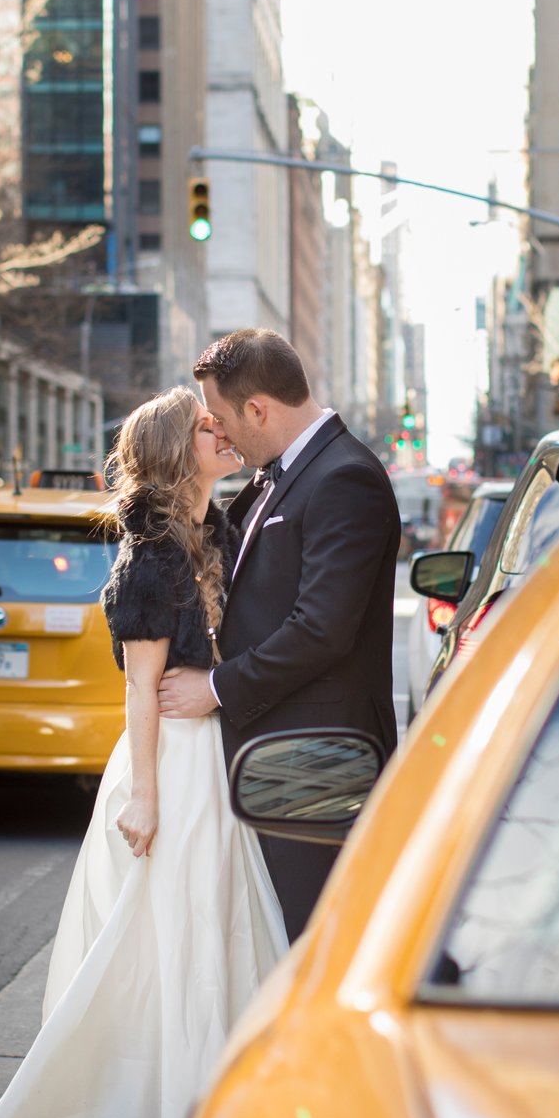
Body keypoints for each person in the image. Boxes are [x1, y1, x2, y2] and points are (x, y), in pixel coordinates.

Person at [0, 387, 286, 1118]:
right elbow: (142, 688)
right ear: (177, 450)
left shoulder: (214, 530)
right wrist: (146, 795)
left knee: (212, 938)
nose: (226, 430)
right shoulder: (152, 557)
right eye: (210, 426)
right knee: (165, 948)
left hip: (214, 763)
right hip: (168, 768)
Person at [159, 329, 402, 939]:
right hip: (277, 753)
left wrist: (215, 688)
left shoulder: (345, 478)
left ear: (258, 410)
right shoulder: (277, 475)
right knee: (275, 933)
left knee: (315, 935)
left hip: (316, 758)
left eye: (219, 417)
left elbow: (321, 630)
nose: (219, 432)